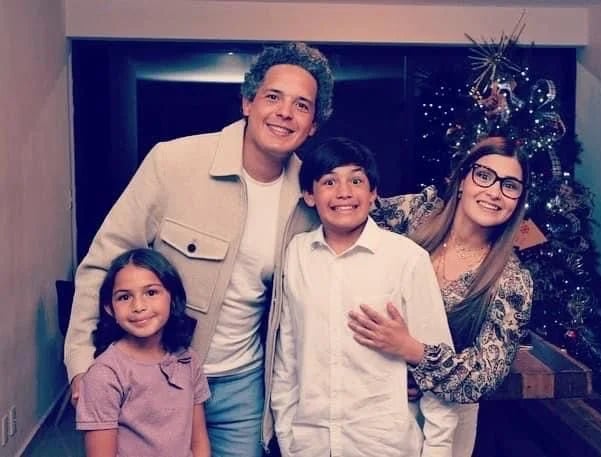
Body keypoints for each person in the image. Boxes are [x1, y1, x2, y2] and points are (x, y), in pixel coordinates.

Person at [64, 41, 334, 456]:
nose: (285, 112)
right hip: (154, 376)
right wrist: (82, 363)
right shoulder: (173, 163)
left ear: (313, 124)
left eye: (302, 105)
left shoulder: (311, 197)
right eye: (273, 97)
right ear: (247, 102)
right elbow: (104, 264)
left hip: (243, 385)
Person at [271, 137, 458, 457]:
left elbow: (437, 361)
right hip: (311, 445)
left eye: (356, 181)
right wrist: (288, 437)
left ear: (373, 194)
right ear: (309, 195)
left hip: (382, 446)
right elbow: (288, 356)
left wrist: (437, 450)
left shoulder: (406, 259)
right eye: (329, 182)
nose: (344, 192)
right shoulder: (297, 254)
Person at [349, 136, 534, 457]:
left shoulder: (512, 280)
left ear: (518, 200)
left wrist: (413, 352)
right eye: (484, 175)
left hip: (445, 425)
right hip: (371, 404)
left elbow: (484, 376)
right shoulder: (416, 214)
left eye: (510, 185)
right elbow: (347, 214)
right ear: (462, 179)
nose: (494, 192)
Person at [75, 248, 210, 457]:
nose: (138, 306)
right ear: (110, 308)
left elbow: (199, 441)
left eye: (151, 293)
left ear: (172, 297)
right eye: (124, 297)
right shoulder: (104, 375)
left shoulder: (188, 360)